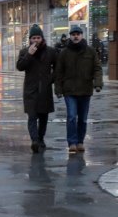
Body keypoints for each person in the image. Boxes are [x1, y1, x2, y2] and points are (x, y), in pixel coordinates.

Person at [55, 25, 103, 153]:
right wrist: (58, 89)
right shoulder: (64, 53)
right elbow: (58, 72)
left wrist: (98, 83)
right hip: (69, 90)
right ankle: (72, 142)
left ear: (82, 35)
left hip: (85, 89)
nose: (76, 36)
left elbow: (97, 68)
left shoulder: (90, 51)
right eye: (73, 34)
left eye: (78, 34)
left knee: (82, 118)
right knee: (71, 116)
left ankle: (80, 142)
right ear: (70, 36)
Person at [16, 24, 58, 154]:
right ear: (30, 39)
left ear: (42, 38)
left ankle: (40, 138)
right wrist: (29, 55)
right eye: (33, 38)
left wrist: (50, 79)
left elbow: (58, 68)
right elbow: (20, 67)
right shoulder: (24, 51)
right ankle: (34, 141)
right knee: (32, 116)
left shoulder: (51, 52)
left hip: (44, 90)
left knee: (43, 117)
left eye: (38, 37)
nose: (36, 40)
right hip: (30, 90)